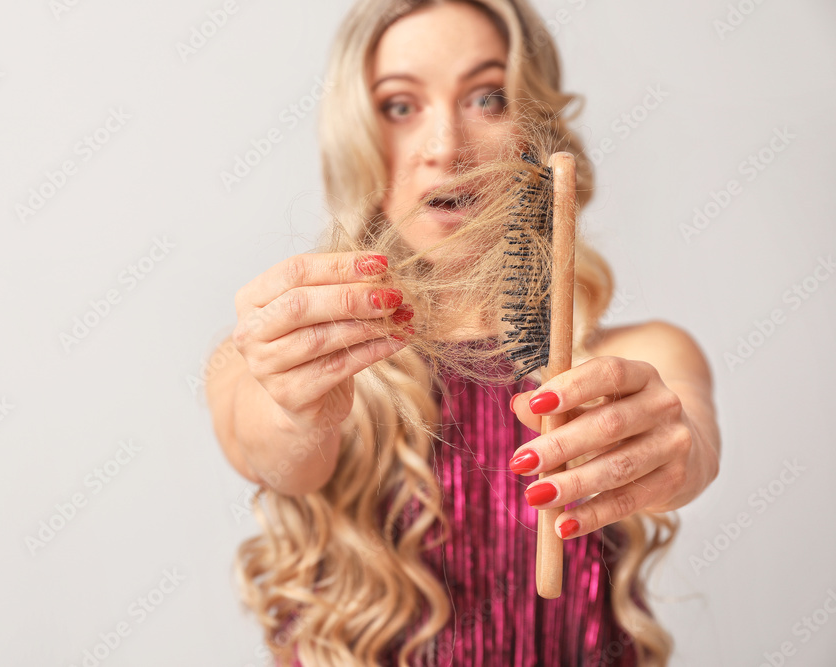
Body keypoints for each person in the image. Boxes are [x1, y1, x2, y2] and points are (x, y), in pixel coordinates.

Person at [205, 1, 721, 665]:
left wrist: (670, 452)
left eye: (487, 96)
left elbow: (690, 441)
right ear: (358, 136)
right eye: (399, 105)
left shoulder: (636, 357)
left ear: (537, 132)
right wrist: (296, 408)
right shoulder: (280, 358)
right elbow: (276, 449)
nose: (446, 146)